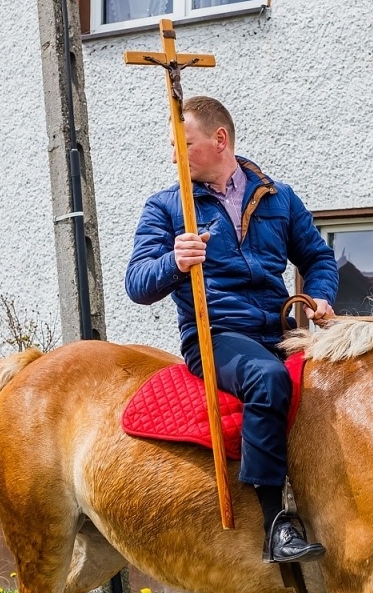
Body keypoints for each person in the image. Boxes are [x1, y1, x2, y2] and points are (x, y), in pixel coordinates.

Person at [125, 96, 340, 565]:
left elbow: (318, 257)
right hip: (215, 336)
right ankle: (275, 526)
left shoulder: (278, 198)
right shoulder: (166, 207)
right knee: (267, 378)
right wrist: (174, 263)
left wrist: (321, 294)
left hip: (281, 330)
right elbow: (137, 284)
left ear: (219, 139)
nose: (174, 157)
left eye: (184, 145)